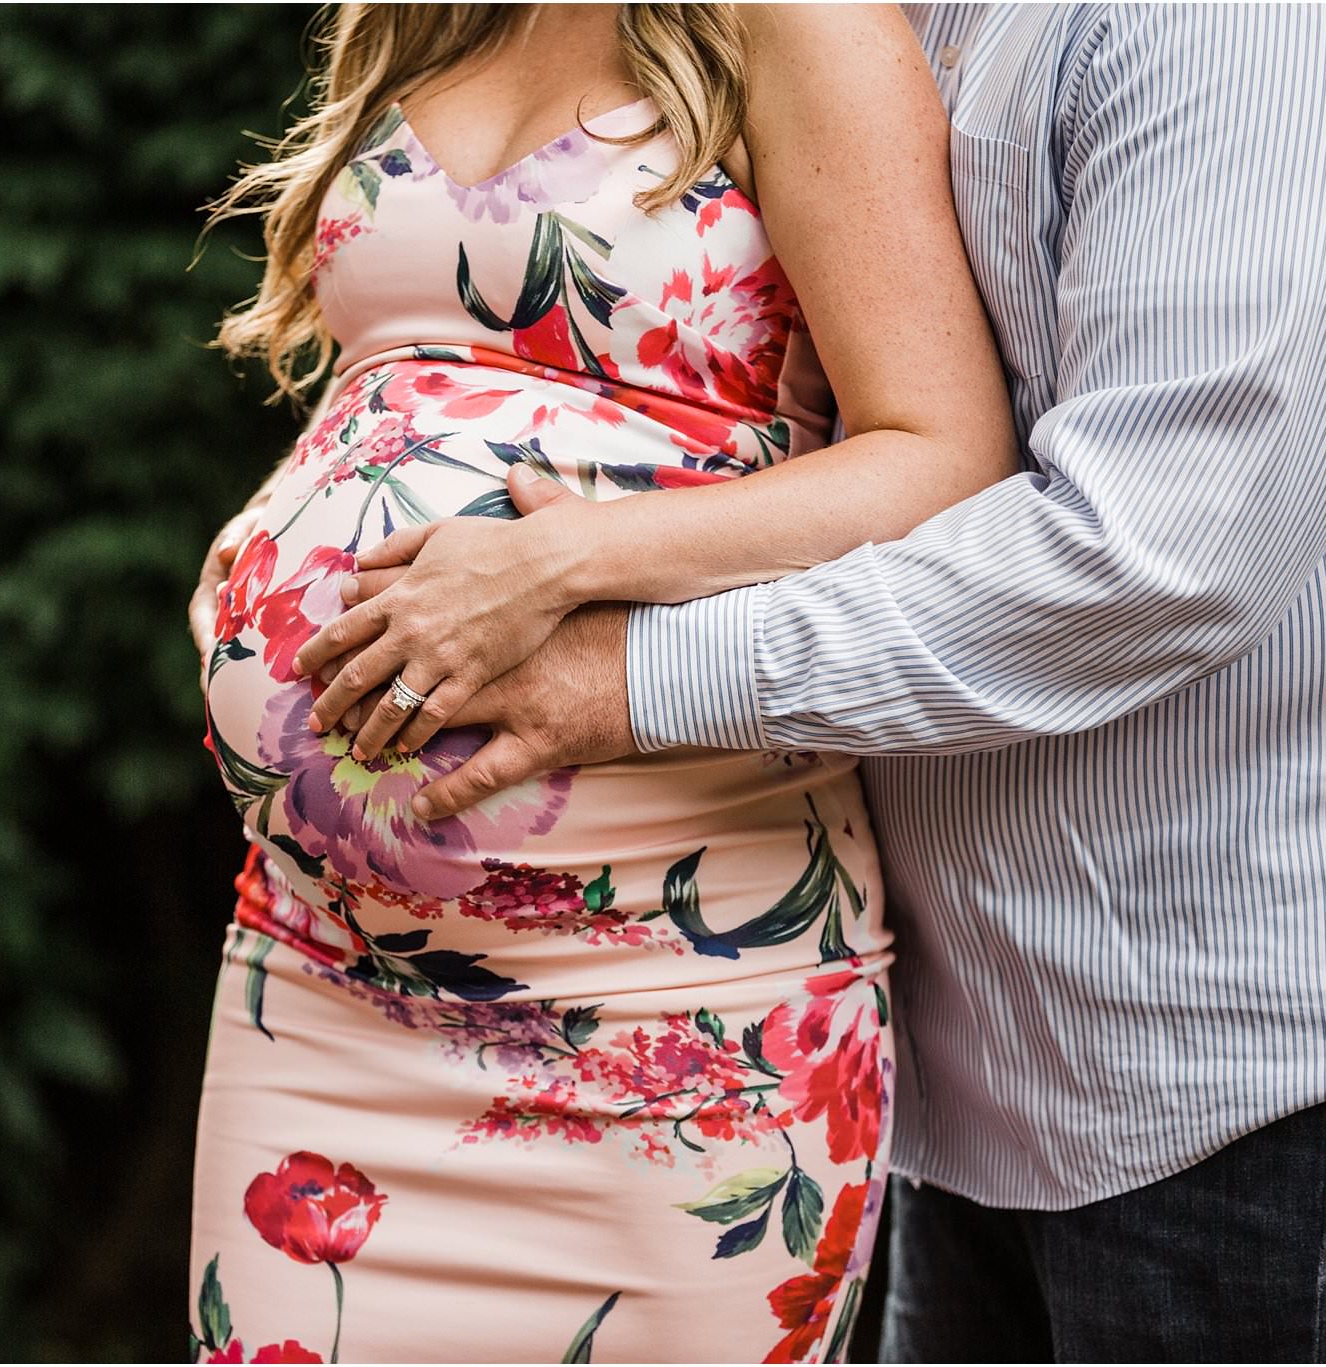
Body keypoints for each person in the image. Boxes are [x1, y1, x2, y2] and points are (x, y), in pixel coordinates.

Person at [263, 4, 1326, 1362]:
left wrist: (624, 678)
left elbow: (1161, 551)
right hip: (1005, 1048)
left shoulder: (1277, 30)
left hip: (1273, 1048)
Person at [184, 2, 1019, 1360]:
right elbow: (403, 385)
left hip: (673, 1014)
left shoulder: (795, 23)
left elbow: (942, 455)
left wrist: (557, 563)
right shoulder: (427, 17)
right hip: (324, 986)